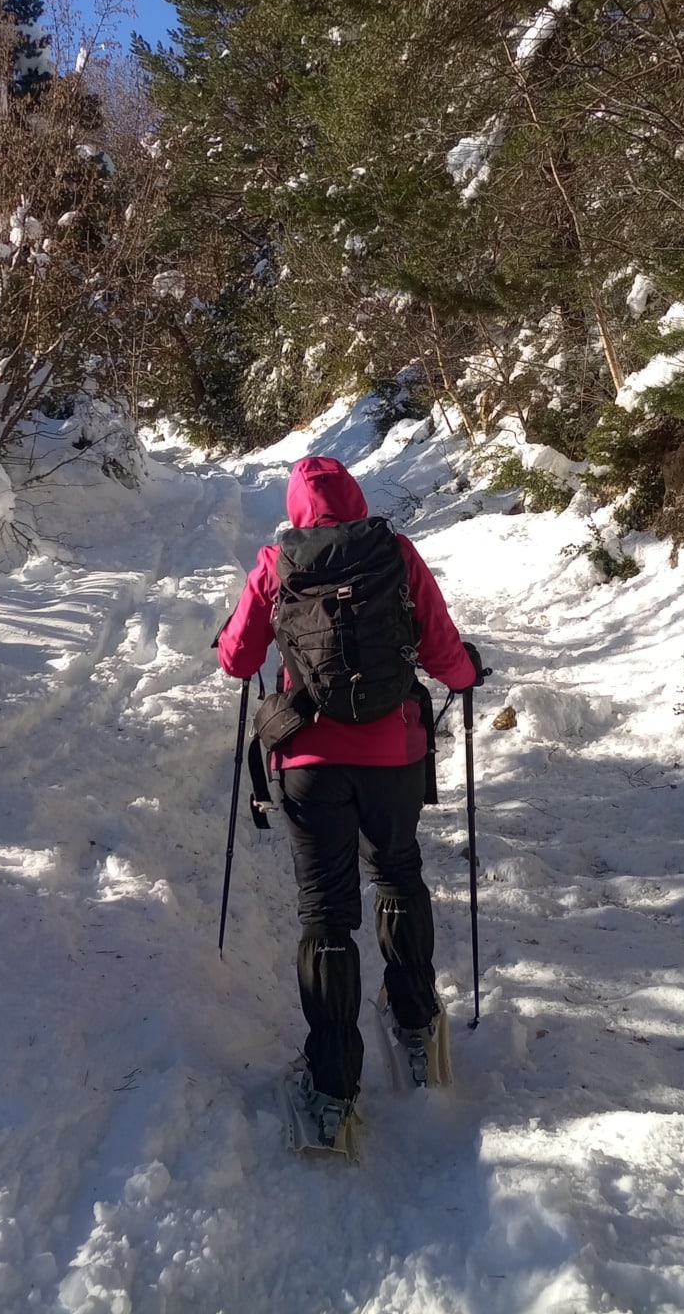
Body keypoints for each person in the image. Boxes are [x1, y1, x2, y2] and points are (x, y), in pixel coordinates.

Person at [217, 455, 482, 1142]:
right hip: (394, 754)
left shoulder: (277, 563)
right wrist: (467, 673)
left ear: (297, 509)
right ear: (357, 500)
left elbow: (239, 661)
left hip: (309, 761)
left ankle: (333, 1094)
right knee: (397, 871)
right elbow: (441, 646)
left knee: (327, 913)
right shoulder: (393, 551)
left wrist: (235, 639)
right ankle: (420, 1032)